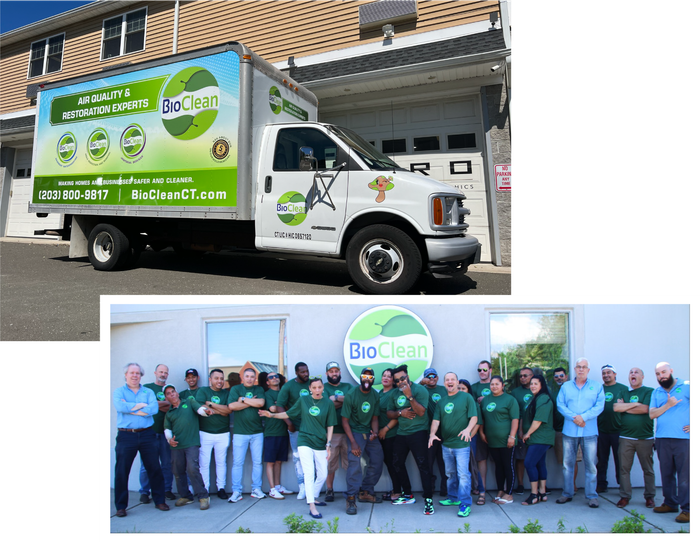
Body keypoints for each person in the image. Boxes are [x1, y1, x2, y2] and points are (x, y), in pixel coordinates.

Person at [259, 377, 336, 519]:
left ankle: (313, 496)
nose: (317, 390)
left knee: (323, 474)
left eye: (319, 387)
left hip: (320, 442)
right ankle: (312, 506)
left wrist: (328, 444)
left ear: (323, 388)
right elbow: (289, 413)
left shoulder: (328, 403)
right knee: (309, 473)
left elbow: (330, 425)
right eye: (314, 388)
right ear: (310, 389)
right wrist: (272, 415)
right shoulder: (304, 400)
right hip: (304, 440)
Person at [113, 363, 169, 517]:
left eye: (137, 373)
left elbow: (153, 409)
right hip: (126, 435)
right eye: (131, 373)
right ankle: (121, 506)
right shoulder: (119, 392)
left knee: (154, 469)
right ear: (126, 375)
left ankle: (159, 501)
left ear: (141, 375)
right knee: (122, 472)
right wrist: (140, 407)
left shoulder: (148, 391)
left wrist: (130, 408)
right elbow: (120, 407)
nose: (134, 375)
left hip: (147, 434)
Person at [555, 357, 604, 508]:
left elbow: (599, 406)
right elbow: (560, 405)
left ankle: (592, 496)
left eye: (584, 367)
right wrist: (574, 418)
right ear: (574, 369)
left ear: (588, 370)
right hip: (570, 431)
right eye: (578, 366)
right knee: (567, 464)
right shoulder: (566, 387)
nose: (581, 369)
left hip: (589, 431)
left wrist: (583, 417)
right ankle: (567, 493)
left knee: (591, 465)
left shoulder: (596, 386)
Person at [428, 372, 478, 518]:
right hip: (446, 444)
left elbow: (474, 417)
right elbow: (436, 421)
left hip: (461, 445)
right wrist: (432, 434)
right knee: (450, 474)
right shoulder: (442, 402)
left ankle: (465, 504)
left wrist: (468, 430)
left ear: (457, 382)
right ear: (444, 383)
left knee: (463, 475)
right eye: (447, 380)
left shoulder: (466, 397)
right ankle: (453, 498)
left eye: (452, 379)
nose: (450, 382)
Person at [386, 364, 434, 514]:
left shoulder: (420, 390)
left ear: (408, 376)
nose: (401, 382)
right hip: (402, 433)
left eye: (403, 378)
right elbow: (389, 413)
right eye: (397, 380)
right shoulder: (394, 393)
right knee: (396, 463)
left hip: (418, 432)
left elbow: (421, 412)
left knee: (423, 466)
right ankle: (408, 494)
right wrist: (401, 413)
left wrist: (409, 396)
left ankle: (428, 500)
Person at [649, 362, 689, 523]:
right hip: (662, 438)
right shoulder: (657, 392)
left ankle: (688, 510)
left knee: (685, 476)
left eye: (664, 372)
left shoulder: (687, 386)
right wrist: (668, 405)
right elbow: (652, 414)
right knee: (666, 473)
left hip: (684, 439)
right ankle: (670, 503)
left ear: (671, 371)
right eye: (658, 374)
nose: (661, 376)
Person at [162, 384, 213, 510]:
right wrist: (169, 440)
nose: (171, 394)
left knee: (192, 468)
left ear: (177, 393)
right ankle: (186, 496)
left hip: (191, 443)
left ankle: (203, 496)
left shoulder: (189, 401)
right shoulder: (169, 413)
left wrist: (205, 411)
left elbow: (199, 409)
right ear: (166, 398)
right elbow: (167, 429)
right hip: (176, 446)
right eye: (168, 393)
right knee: (178, 471)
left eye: (173, 391)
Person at [341, 367, 384, 514]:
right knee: (355, 463)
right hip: (355, 432)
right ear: (360, 378)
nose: (367, 379)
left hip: (369, 432)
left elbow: (375, 418)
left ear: (373, 380)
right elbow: (345, 421)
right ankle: (351, 498)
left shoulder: (375, 395)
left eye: (370, 377)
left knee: (378, 459)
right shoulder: (351, 394)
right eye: (364, 376)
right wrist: (353, 442)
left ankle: (365, 491)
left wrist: (375, 432)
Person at [612, 367, 655, 509]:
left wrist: (626, 406)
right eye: (631, 372)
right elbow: (616, 408)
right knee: (624, 468)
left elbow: (645, 409)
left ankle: (650, 497)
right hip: (626, 437)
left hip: (645, 438)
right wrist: (636, 404)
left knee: (648, 469)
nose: (633, 374)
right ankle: (625, 496)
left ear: (642, 376)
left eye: (636, 372)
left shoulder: (649, 391)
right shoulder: (623, 391)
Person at [276, 362, 315, 499]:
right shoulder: (289, 386)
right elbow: (279, 406)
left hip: (312, 429)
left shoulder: (312, 384)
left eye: (307, 371)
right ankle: (302, 486)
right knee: (298, 458)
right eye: (302, 372)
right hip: (296, 428)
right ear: (296, 373)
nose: (306, 374)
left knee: (313, 458)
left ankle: (312, 488)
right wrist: (288, 423)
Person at [228, 367, 267, 502]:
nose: (250, 379)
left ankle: (256, 489)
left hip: (257, 432)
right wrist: (251, 403)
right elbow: (232, 407)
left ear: (255, 378)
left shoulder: (259, 390)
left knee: (257, 462)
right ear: (242, 377)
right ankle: (236, 491)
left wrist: (243, 400)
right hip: (240, 433)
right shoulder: (235, 389)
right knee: (238, 463)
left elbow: (261, 403)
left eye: (252, 376)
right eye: (247, 376)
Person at [479, 375, 519, 505]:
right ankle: (501, 490)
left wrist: (512, 436)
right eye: (492, 384)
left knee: (508, 466)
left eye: (497, 384)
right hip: (492, 440)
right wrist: (482, 432)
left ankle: (509, 494)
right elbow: (483, 418)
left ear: (502, 386)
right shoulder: (485, 400)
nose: (494, 386)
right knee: (498, 467)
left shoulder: (509, 400)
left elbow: (515, 419)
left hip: (507, 440)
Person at [139, 364, 176, 503]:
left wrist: (155, 404)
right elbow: (145, 406)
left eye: (165, 372)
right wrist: (162, 403)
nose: (163, 374)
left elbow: (171, 406)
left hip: (164, 433)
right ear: (155, 372)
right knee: (146, 465)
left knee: (166, 464)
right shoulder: (147, 388)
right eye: (161, 371)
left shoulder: (168, 389)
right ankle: (144, 492)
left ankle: (167, 489)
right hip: (148, 433)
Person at [195, 369, 231, 500]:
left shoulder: (226, 393)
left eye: (221, 378)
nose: (219, 381)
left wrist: (210, 404)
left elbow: (228, 410)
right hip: (205, 432)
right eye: (216, 378)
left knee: (221, 462)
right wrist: (220, 409)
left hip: (223, 433)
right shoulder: (203, 391)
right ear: (210, 379)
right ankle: (205, 489)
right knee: (204, 463)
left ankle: (221, 488)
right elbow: (202, 410)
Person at [520, 375, 555, 505]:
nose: (532, 386)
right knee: (539, 463)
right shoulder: (536, 398)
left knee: (529, 463)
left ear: (542, 385)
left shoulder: (544, 398)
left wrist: (527, 434)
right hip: (536, 438)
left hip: (541, 437)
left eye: (536, 383)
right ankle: (542, 493)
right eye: (531, 384)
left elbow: (538, 419)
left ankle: (534, 494)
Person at [323, 361, 354, 502]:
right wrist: (343, 401)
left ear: (340, 372)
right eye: (331, 371)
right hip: (331, 432)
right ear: (327, 374)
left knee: (350, 463)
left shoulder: (348, 386)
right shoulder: (322, 388)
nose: (334, 374)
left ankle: (351, 491)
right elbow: (325, 406)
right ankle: (329, 490)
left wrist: (335, 398)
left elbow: (353, 401)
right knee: (330, 463)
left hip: (349, 432)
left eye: (336, 371)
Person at [596, 364, 627, 493]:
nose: (606, 375)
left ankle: (622, 485)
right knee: (601, 460)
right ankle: (601, 484)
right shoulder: (598, 389)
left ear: (615, 374)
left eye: (609, 373)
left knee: (620, 460)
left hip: (618, 430)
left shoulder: (623, 389)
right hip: (601, 430)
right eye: (604, 373)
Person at [263, 372, 293, 499]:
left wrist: (281, 406)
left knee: (279, 461)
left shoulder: (284, 392)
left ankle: (278, 486)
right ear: (267, 382)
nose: (274, 378)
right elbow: (273, 409)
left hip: (283, 431)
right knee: (270, 461)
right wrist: (284, 407)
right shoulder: (267, 394)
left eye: (276, 376)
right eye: (271, 377)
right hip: (271, 432)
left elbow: (281, 407)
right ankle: (272, 489)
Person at [421, 368, 448, 496]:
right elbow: (411, 390)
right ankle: (429, 488)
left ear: (437, 377)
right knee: (429, 462)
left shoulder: (444, 390)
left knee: (444, 462)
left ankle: (445, 489)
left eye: (434, 376)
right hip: (428, 432)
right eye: (428, 376)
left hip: (444, 431)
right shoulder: (422, 390)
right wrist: (421, 383)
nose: (431, 378)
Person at [459, 379, 485, 504]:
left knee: (473, 466)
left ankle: (481, 492)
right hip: (456, 440)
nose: (460, 391)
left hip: (469, 439)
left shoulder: (473, 403)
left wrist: (468, 437)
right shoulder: (455, 403)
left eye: (463, 388)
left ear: (468, 390)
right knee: (461, 468)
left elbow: (478, 423)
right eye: (458, 388)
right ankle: (464, 492)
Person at [377, 368, 402, 501]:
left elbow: (397, 415)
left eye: (389, 376)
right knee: (388, 462)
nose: (386, 378)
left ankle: (398, 491)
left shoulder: (394, 393)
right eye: (384, 375)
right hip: (381, 434)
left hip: (391, 434)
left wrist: (385, 429)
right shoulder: (380, 393)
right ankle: (396, 488)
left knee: (393, 463)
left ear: (393, 380)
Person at [470, 361, 492, 504]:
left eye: (485, 369)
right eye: (479, 369)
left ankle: (503, 490)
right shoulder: (473, 387)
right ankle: (481, 487)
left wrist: (487, 399)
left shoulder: (496, 384)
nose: (482, 371)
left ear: (490, 370)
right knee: (481, 459)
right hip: (480, 428)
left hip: (496, 429)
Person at [510, 366, 534, 495]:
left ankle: (538, 485)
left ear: (532, 376)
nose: (523, 378)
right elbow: (516, 413)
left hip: (536, 430)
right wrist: (518, 430)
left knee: (536, 458)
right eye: (521, 376)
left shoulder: (538, 389)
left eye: (526, 375)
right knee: (520, 458)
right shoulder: (515, 392)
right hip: (521, 430)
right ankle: (520, 484)